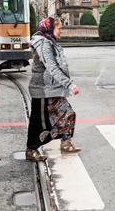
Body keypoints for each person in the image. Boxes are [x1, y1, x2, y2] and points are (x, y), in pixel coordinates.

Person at [25, 17, 80, 162]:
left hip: (53, 88)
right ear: (50, 28)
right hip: (42, 89)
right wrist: (69, 84)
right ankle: (31, 149)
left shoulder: (50, 41)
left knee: (68, 113)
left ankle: (65, 143)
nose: (61, 30)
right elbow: (52, 67)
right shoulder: (43, 43)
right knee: (40, 122)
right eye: (59, 28)